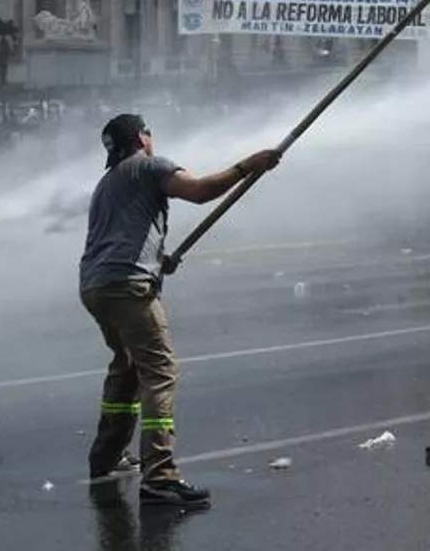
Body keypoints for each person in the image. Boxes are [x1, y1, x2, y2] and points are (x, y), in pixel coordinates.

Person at [79, 113, 280, 508]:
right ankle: (160, 478)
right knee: (160, 373)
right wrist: (247, 166)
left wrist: (159, 260)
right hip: (127, 287)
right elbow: (202, 191)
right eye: (149, 133)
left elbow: (123, 235)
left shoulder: (109, 182)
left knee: (126, 369)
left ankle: (106, 457)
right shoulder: (149, 165)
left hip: (96, 286)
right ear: (142, 137)